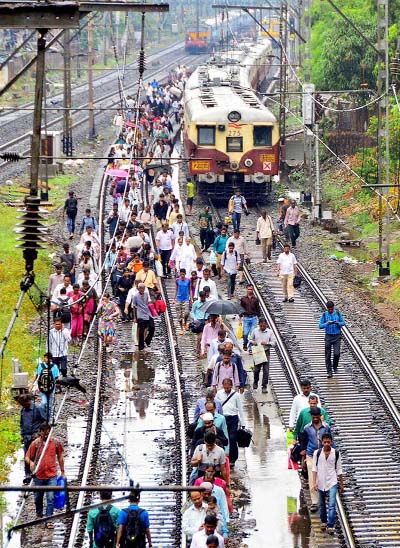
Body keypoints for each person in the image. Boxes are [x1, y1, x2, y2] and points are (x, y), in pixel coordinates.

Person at [25, 422, 65, 525]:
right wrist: (31, 462)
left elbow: (60, 456)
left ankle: (49, 519)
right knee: (38, 497)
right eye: (44, 431)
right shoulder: (35, 444)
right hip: (38, 476)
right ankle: (39, 515)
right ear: (41, 432)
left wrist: (62, 471)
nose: (46, 433)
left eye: (48, 431)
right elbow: (27, 457)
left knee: (50, 497)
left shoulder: (55, 443)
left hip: (51, 475)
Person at [300, 407, 333, 513]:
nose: (315, 419)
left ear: (319, 416)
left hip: (324, 454)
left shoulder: (326, 427)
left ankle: (324, 496)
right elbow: (303, 442)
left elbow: (331, 440)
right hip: (311, 455)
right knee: (312, 478)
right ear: (311, 417)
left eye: (316, 417)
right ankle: (314, 502)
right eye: (313, 417)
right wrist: (303, 456)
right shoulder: (307, 428)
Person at [312, 432, 343, 535]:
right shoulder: (317, 453)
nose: (326, 444)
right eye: (324, 442)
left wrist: (341, 483)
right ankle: (324, 521)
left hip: (332, 481)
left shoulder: (336, 453)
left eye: (328, 442)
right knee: (321, 504)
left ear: (331, 442)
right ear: (321, 442)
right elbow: (314, 469)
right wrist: (314, 482)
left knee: (332, 504)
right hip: (320, 482)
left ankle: (330, 525)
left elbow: (339, 469)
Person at [216, 378, 245, 468]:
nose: (227, 387)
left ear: (231, 385)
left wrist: (243, 423)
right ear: (222, 385)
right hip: (223, 418)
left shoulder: (236, 395)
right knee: (223, 438)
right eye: (225, 385)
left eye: (228, 385)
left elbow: (240, 409)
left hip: (233, 418)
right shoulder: (219, 394)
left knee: (232, 438)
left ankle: (233, 459)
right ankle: (223, 457)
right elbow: (216, 406)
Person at [18, 394, 45, 479]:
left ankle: (39, 472)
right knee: (27, 455)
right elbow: (22, 423)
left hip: (35, 436)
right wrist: (22, 435)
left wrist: (39, 434)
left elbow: (45, 421)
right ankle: (28, 474)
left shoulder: (38, 408)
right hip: (26, 437)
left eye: (24, 404)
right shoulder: (23, 410)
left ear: (28, 401)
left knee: (37, 455)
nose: (23, 406)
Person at [248, 317, 276, 393]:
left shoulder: (270, 332)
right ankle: (256, 381)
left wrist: (267, 343)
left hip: (266, 352)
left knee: (266, 370)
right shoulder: (255, 331)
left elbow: (274, 343)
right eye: (261, 326)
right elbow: (250, 338)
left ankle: (264, 386)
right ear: (259, 325)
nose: (262, 327)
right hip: (257, 351)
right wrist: (252, 342)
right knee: (256, 369)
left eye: (264, 326)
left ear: (266, 325)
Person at [319, 301, 346, 378]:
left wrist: (338, 323)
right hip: (328, 337)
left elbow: (343, 323)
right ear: (327, 309)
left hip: (337, 336)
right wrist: (327, 323)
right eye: (329, 309)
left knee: (337, 353)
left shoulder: (337, 313)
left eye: (332, 309)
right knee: (327, 355)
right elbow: (320, 326)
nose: (330, 310)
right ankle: (329, 371)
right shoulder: (324, 315)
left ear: (333, 308)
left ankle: (335, 366)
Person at [132, 283, 155, 351]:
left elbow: (148, 303)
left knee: (150, 327)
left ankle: (147, 341)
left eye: (143, 288)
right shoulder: (135, 296)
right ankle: (141, 346)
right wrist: (135, 317)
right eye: (141, 288)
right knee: (141, 330)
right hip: (140, 314)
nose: (142, 290)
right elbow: (134, 307)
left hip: (147, 313)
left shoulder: (146, 294)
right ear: (138, 289)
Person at [240, 284, 260, 352]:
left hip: (253, 318)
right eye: (248, 289)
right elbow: (241, 308)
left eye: (251, 289)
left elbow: (258, 309)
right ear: (246, 289)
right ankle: (245, 343)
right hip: (246, 318)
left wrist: (258, 317)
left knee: (252, 334)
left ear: (253, 290)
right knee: (245, 333)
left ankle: (250, 348)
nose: (250, 290)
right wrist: (240, 317)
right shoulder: (243, 299)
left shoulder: (256, 299)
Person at [172, 268, 191, 334]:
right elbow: (176, 289)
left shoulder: (188, 280)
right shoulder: (177, 280)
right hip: (178, 298)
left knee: (186, 313)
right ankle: (181, 328)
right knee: (179, 314)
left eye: (183, 274)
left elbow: (190, 289)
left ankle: (185, 323)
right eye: (181, 274)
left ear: (185, 274)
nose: (182, 275)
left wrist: (191, 299)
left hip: (186, 298)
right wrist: (174, 299)